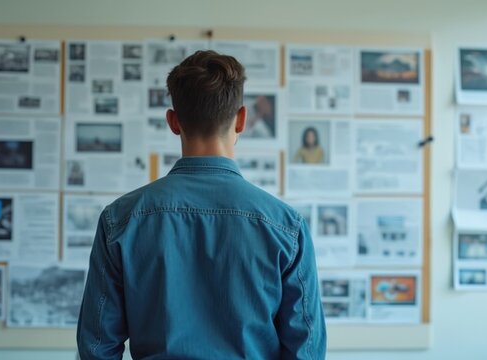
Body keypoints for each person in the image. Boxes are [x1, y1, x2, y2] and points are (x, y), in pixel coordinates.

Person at [77, 50, 326, 359]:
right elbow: (307, 350)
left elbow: (97, 347)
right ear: (241, 120)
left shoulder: (121, 219)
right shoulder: (287, 227)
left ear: (173, 121)